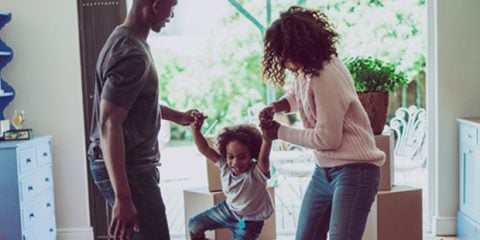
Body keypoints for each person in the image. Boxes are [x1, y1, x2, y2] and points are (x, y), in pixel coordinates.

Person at [259, 6, 386, 240]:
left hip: (355, 171)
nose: (283, 61)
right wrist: (278, 106)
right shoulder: (306, 69)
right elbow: (300, 97)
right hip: (324, 170)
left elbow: (328, 138)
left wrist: (280, 132)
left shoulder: (325, 74)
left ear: (297, 48)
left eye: (284, 54)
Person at [87, 0, 195, 239]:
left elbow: (131, 103)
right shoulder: (132, 53)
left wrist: (178, 117)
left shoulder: (126, 39)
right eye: (172, 7)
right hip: (131, 169)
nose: (172, 15)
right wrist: (123, 198)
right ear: (156, 5)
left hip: (131, 166)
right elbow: (109, 123)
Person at [187, 111, 274, 240]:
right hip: (228, 210)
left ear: (252, 154)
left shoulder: (257, 172)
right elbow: (204, 149)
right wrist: (196, 130)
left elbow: (264, 157)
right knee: (193, 225)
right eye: (231, 156)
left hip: (250, 222)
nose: (235, 162)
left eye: (242, 157)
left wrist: (267, 138)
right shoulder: (224, 165)